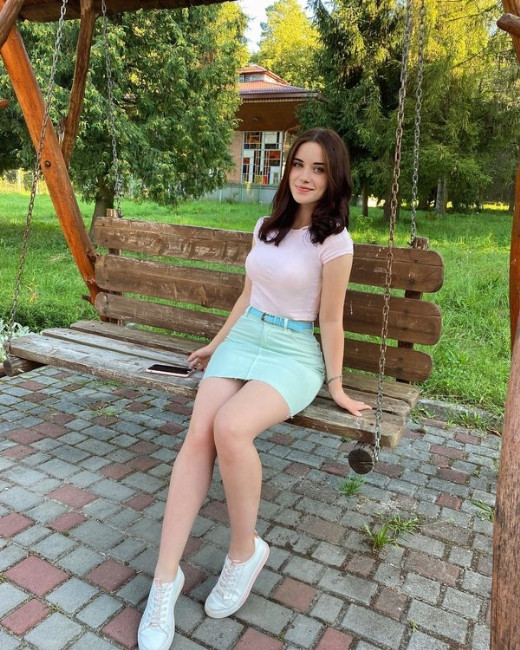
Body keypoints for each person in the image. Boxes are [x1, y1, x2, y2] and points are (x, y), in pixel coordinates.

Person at [137, 127, 371, 650]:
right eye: (299, 165)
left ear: (333, 179)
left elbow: (331, 320)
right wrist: (215, 344)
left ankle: (244, 552)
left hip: (293, 352)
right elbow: (247, 296)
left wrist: (336, 385)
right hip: (245, 338)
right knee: (198, 437)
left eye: (318, 169)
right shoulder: (265, 227)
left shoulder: (334, 241)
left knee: (230, 428)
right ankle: (164, 581)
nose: (305, 176)